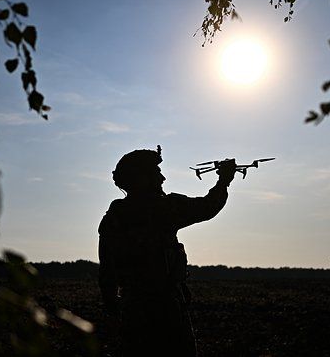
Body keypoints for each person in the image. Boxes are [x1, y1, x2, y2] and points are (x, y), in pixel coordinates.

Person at [98, 147, 236, 357]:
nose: (162, 178)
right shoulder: (164, 209)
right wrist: (224, 181)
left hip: (134, 311)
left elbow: (107, 274)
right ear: (141, 179)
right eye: (155, 173)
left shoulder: (112, 220)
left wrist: (115, 310)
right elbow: (207, 207)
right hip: (165, 310)